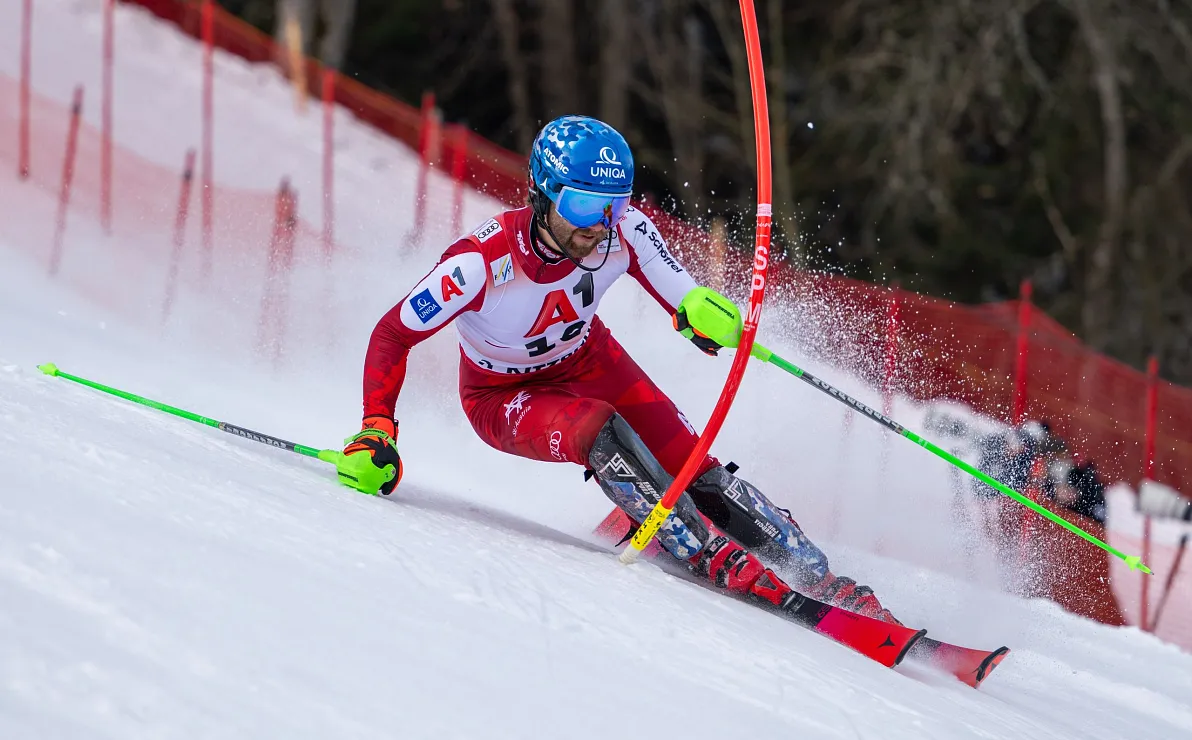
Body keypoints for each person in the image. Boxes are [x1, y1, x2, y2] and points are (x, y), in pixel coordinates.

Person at [334, 115, 900, 624]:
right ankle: (702, 550)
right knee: (597, 429)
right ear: (543, 194)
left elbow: (682, 293)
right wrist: (377, 428)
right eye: (583, 206)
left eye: (616, 206)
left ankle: (816, 573)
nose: (600, 226)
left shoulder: (622, 234)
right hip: (501, 394)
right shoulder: (479, 263)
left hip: (589, 359)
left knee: (691, 462)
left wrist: (705, 313)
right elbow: (392, 333)